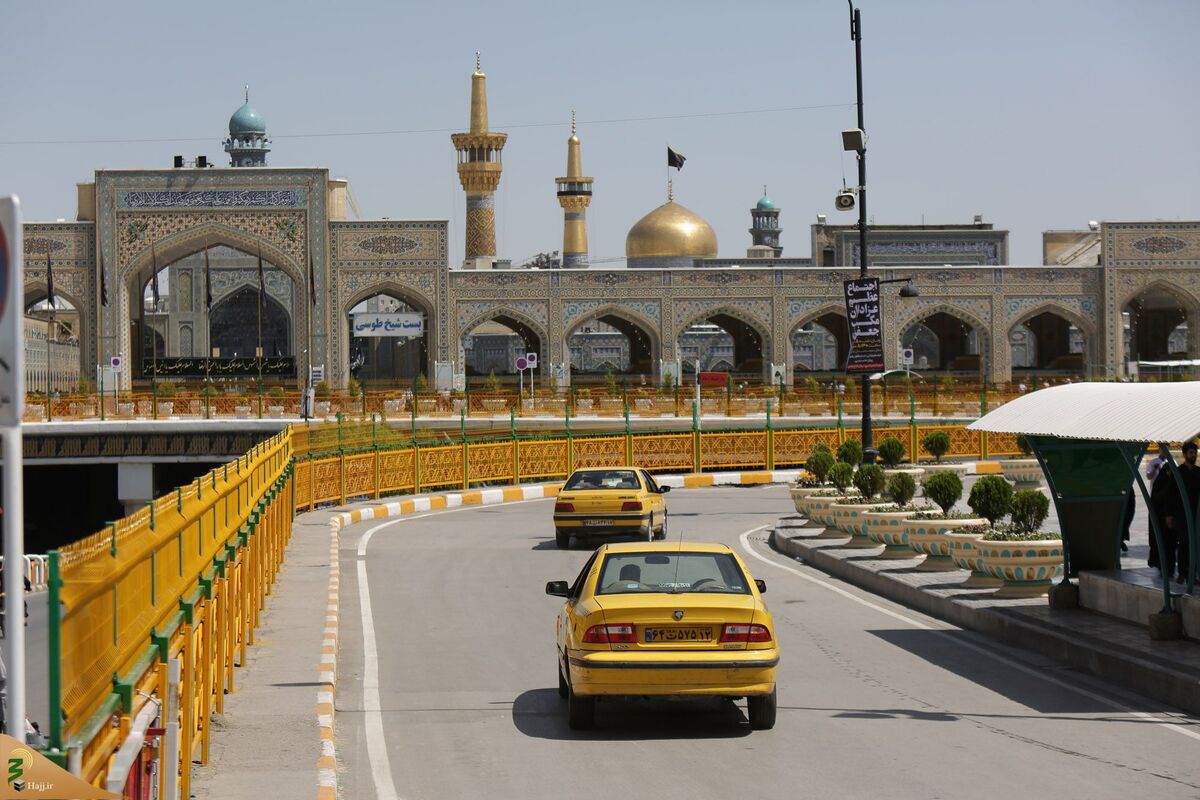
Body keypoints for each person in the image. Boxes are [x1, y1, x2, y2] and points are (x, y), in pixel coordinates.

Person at [1162, 442, 1200, 583]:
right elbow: (1170, 495)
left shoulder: (1198, 472)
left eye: (1194, 453)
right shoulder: (1178, 473)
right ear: (1184, 455)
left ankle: (1193, 572)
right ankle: (1183, 572)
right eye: (1191, 453)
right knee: (1184, 542)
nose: (1193, 455)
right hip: (1182, 514)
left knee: (1195, 543)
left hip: (1196, 515)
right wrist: (1169, 515)